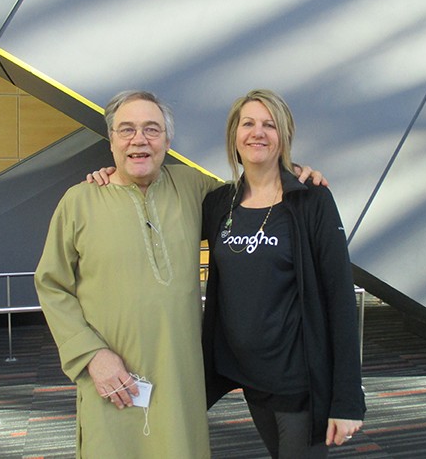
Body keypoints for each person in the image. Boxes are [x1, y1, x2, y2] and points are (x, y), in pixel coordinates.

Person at [37, 90, 326, 458]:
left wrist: (293, 174)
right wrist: (91, 356)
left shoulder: (193, 187)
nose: (139, 139)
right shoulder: (79, 202)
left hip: (180, 379)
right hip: (112, 380)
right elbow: (52, 285)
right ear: (111, 140)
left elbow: (255, 196)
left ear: (167, 141)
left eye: (151, 129)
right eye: (126, 130)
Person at [201, 89, 366, 458]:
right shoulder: (219, 203)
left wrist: (347, 400)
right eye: (248, 123)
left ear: (284, 135)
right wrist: (115, 175)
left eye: (269, 125)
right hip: (251, 379)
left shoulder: (311, 200)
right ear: (234, 134)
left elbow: (340, 298)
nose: (257, 132)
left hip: (301, 383)